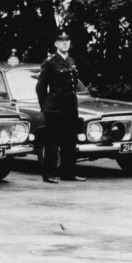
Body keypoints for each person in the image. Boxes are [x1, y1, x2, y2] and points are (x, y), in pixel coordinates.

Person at [36, 30, 85, 184]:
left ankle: (68, 172)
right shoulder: (50, 62)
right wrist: (45, 106)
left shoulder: (71, 60)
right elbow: (41, 87)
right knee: (52, 142)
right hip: (55, 108)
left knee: (70, 141)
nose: (65, 43)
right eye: (61, 41)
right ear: (56, 44)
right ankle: (49, 174)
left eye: (67, 41)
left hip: (70, 107)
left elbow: (73, 86)